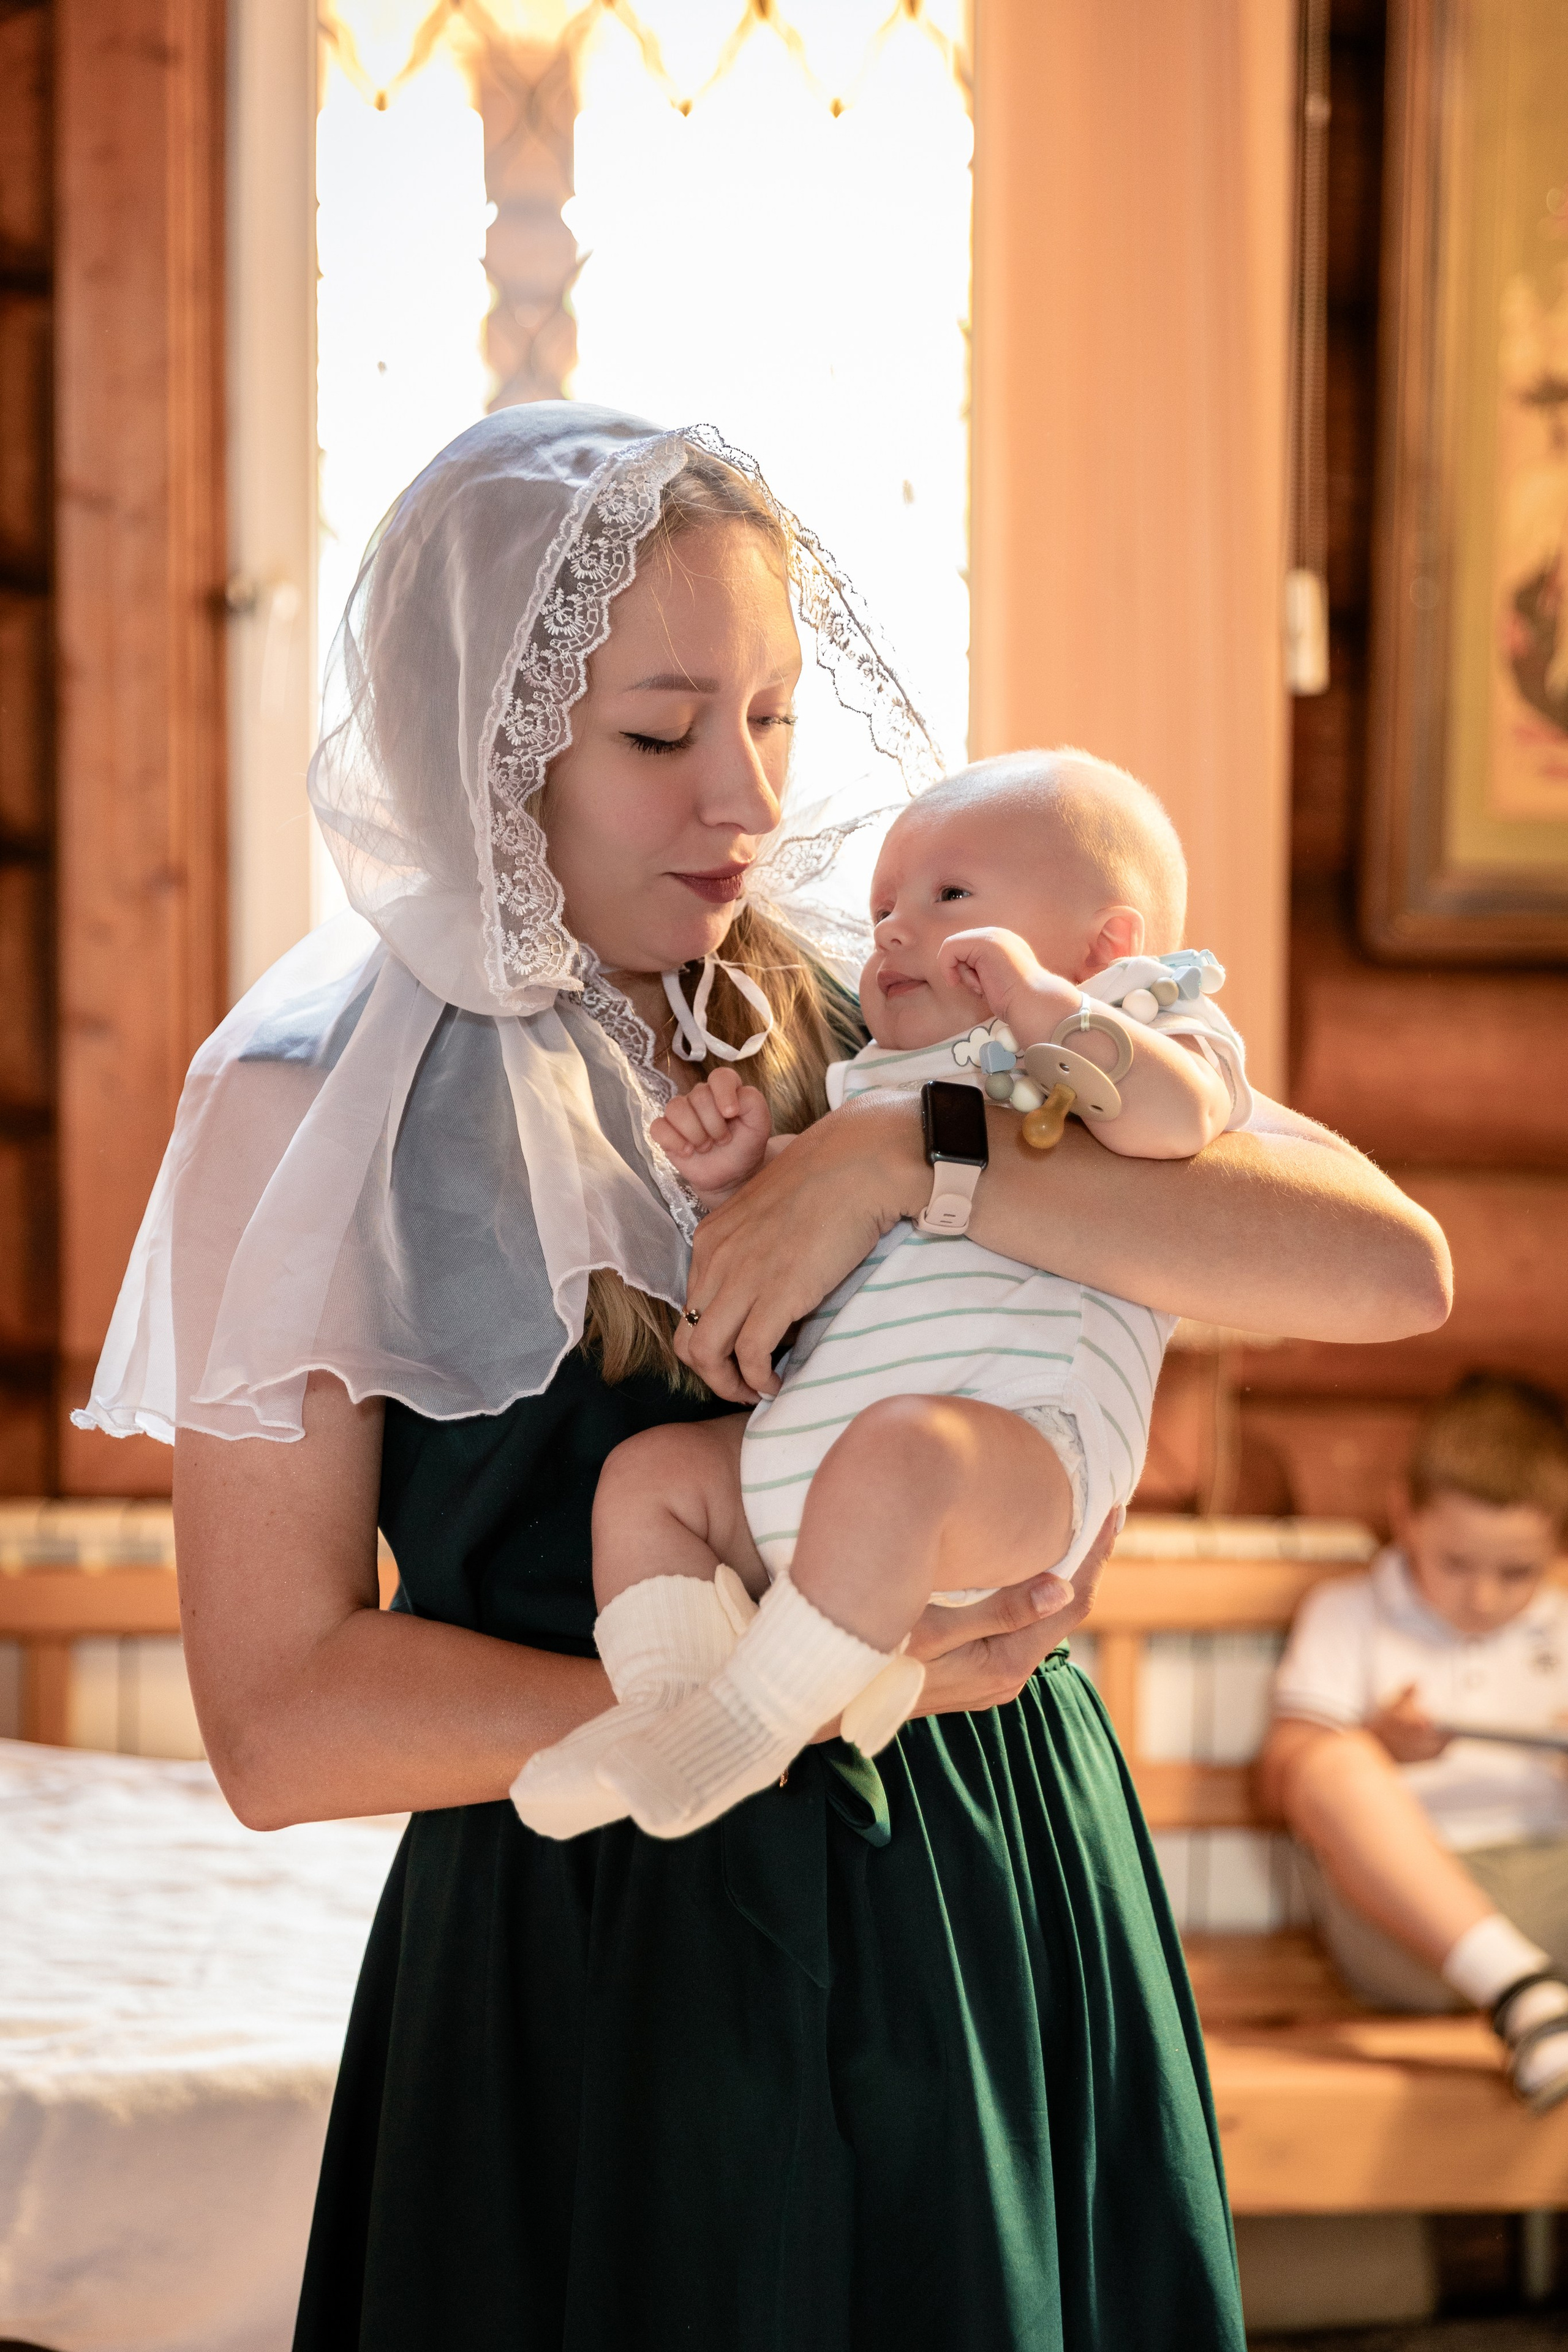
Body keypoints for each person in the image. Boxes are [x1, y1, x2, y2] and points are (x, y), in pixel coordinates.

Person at [77, 404, 1450, 2350]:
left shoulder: (890, 1005)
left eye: (776, 716)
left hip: (980, 1885)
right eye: (659, 732)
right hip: (604, 1955)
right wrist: (778, 1701)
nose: (738, 796)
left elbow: (1384, 1265)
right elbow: (280, 1717)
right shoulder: (305, 1112)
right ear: (490, 733)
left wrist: (910, 1159)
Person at [514, 751, 1253, 1841]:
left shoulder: (1146, 1021)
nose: (896, 930)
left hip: (1007, 1458)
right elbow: (818, 1258)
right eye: (883, 909)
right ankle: (665, 1715)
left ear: (1108, 942)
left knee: (902, 1450)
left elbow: (1173, 1124)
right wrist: (746, 1183)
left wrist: (1053, 1012)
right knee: (653, 1478)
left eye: (949, 897)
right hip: (825, 1466)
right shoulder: (876, 1082)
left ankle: (743, 1727)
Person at [1259, 1375, 1568, 2112]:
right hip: (1405, 1926)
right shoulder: (1347, 1613)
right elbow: (1281, 1785)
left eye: (1516, 1572)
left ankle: (1533, 2004)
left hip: (1552, 1895)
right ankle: (1518, 1991)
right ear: (1405, 1516)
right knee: (1329, 1761)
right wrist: (1377, 1747)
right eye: (1456, 1564)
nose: (1483, 1598)